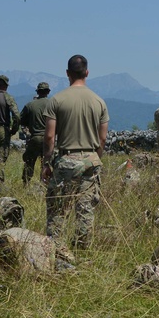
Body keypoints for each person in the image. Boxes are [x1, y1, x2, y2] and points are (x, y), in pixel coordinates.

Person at [42, 55, 109, 249]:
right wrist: (96, 156)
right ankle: (82, 251)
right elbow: (103, 138)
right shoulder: (99, 102)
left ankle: (55, 251)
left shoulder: (56, 100)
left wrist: (47, 163)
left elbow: (49, 136)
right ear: (87, 73)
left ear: (67, 74)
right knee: (85, 210)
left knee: (57, 211)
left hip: (66, 159)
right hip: (91, 160)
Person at [0, 75, 20, 183]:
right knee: (0, 159)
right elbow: (16, 115)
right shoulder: (8, 97)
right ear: (6, 86)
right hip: (3, 130)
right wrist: (13, 130)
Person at [19, 82, 50, 185]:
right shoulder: (53, 104)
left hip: (35, 137)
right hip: (48, 138)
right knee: (46, 163)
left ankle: (26, 183)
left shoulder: (30, 105)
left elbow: (21, 119)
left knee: (29, 162)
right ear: (48, 92)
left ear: (38, 92)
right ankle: (44, 184)